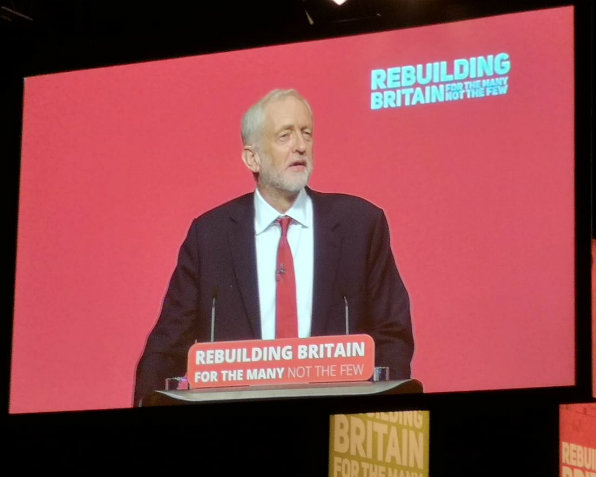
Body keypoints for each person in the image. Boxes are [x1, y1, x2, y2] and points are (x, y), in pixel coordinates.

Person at [134, 89, 413, 406]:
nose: (300, 145)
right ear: (252, 157)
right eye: (285, 136)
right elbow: (167, 345)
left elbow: (393, 334)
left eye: (306, 133)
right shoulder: (210, 235)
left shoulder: (360, 225)